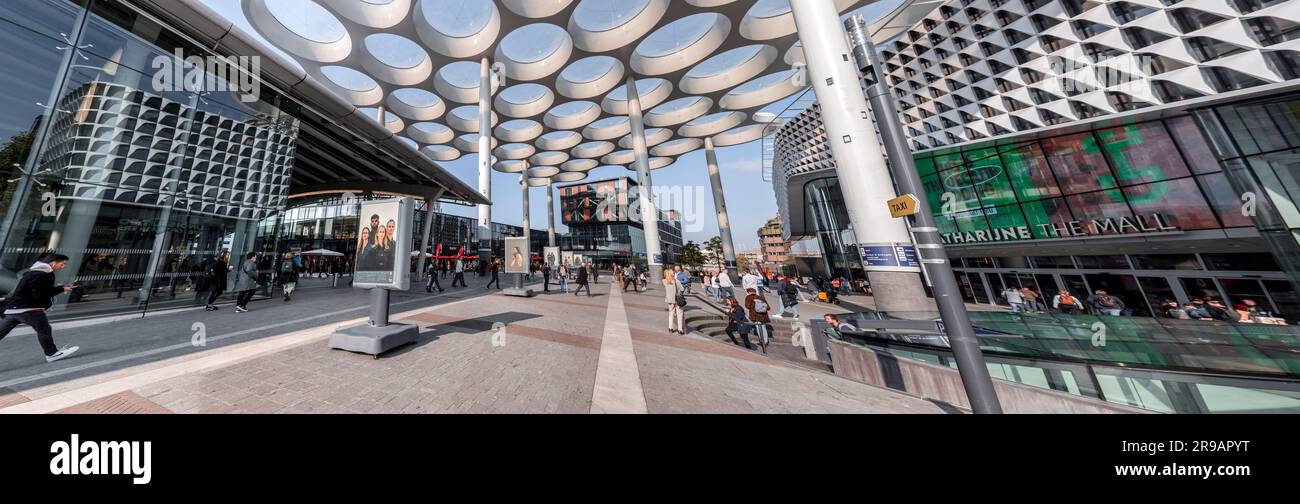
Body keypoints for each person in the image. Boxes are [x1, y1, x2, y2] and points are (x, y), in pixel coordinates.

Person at [0, 254, 81, 363]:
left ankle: (51, 353)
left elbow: (39, 290)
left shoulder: (33, 273)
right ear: (53, 263)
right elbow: (40, 293)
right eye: (62, 264)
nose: (63, 266)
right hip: (29, 308)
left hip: (15, 309)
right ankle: (52, 354)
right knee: (44, 329)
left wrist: (62, 288)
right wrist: (57, 291)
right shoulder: (42, 274)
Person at [744, 287, 772, 353]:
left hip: (755, 316)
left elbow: (747, 306)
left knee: (759, 328)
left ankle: (762, 341)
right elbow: (768, 307)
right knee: (763, 327)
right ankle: (766, 341)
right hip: (763, 315)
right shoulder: (760, 297)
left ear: (748, 292)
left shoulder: (748, 297)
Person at [665, 267, 685, 335]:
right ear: (672, 274)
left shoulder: (664, 281)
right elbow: (682, 289)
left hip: (669, 300)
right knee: (679, 314)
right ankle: (680, 330)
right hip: (677, 300)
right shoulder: (676, 281)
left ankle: (670, 328)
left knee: (671, 314)